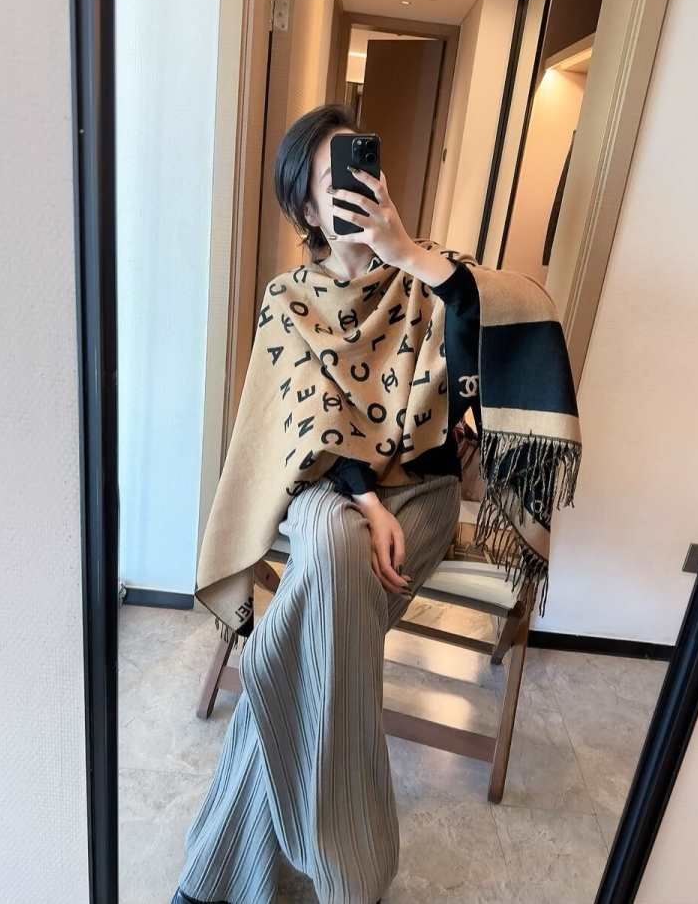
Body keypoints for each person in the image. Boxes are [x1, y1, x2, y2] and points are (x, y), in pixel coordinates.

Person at [172, 104, 481, 904]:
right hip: (324, 488)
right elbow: (301, 418)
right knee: (337, 547)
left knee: (284, 651)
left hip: (421, 491)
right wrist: (363, 498)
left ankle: (211, 879)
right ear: (307, 207)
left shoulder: (431, 276)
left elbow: (479, 368)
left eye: (363, 167)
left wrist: (408, 254)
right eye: (330, 178)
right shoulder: (289, 297)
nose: (355, 188)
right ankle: (353, 875)